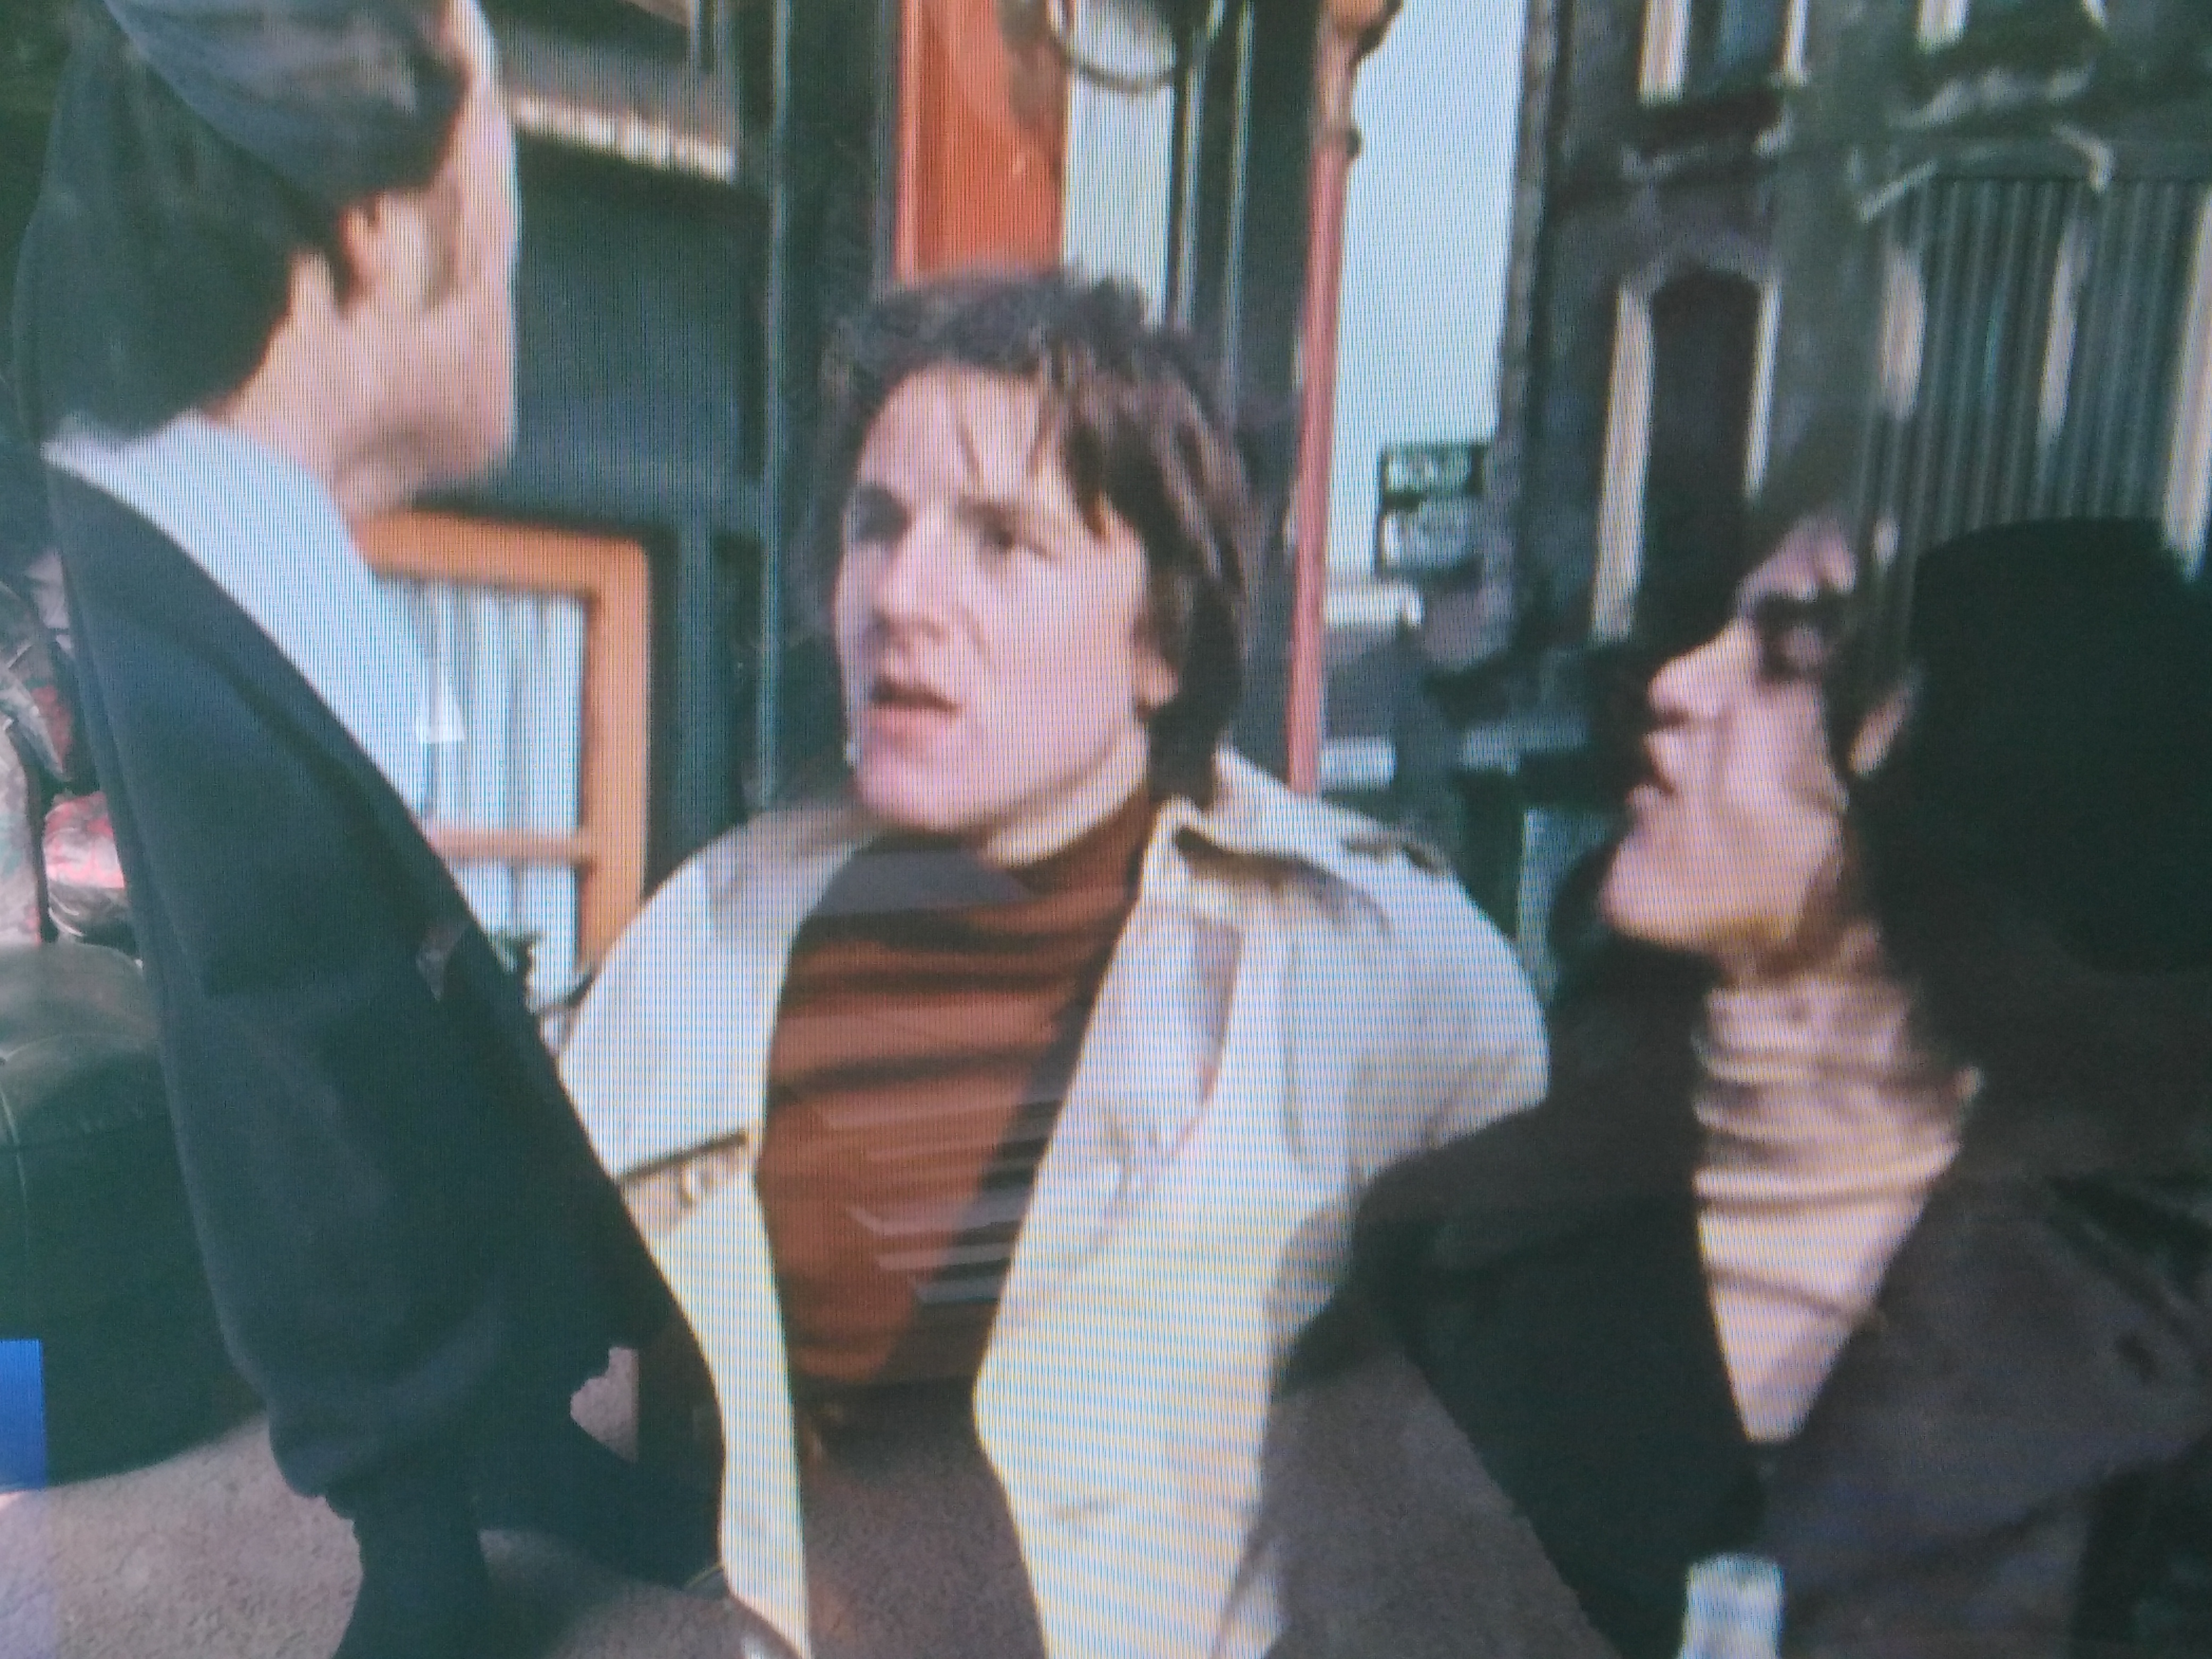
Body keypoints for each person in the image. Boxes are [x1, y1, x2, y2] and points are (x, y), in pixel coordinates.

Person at [559, 269, 1550, 1659]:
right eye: (875, 526)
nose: (900, 597)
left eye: (1002, 542)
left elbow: (1498, 1535)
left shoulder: (1385, 978)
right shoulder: (704, 937)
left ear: (1163, 639)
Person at [12, 2, 704, 1653]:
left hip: (306, 272)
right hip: (151, 301)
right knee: (279, 1002)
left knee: (433, 951)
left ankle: (516, 1434)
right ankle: (413, 1520)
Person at [1265, 513, 2212, 1658]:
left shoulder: (2158, 1300)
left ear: (1988, 748)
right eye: (1710, 630)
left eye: (1791, 659)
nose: (1677, 685)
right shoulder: (1448, 1250)